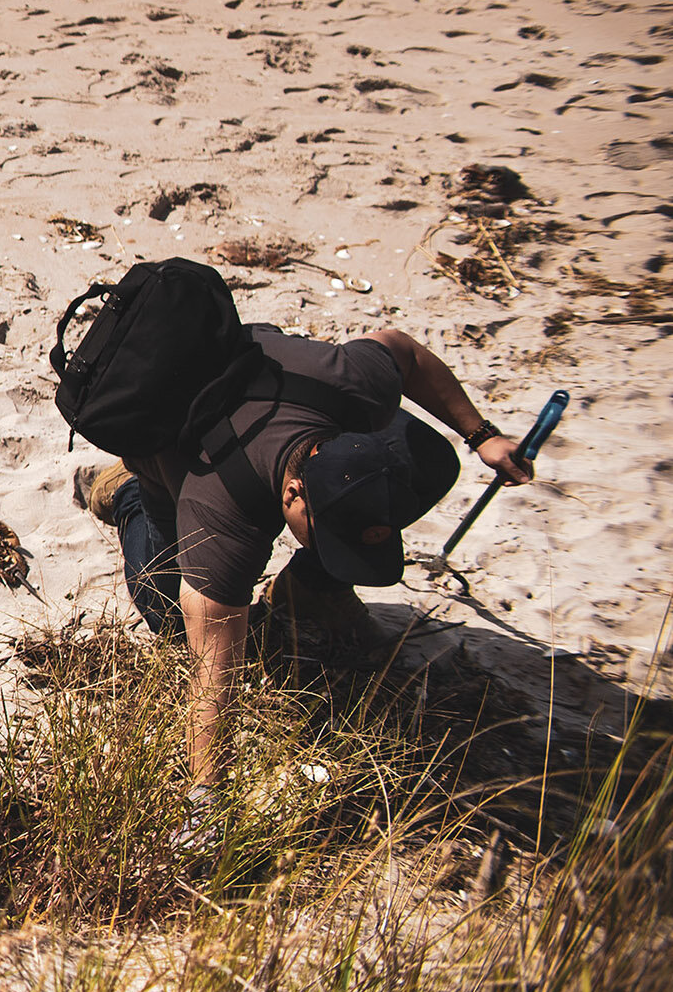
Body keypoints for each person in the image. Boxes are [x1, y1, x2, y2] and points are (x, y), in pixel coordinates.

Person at [74, 325, 531, 811]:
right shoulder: (221, 515)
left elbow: (405, 352)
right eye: (328, 536)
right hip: (171, 444)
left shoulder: (357, 382)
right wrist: (207, 796)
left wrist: (482, 436)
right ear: (292, 496)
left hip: (274, 397)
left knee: (431, 461)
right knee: (168, 613)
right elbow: (213, 672)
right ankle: (123, 490)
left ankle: (309, 589)